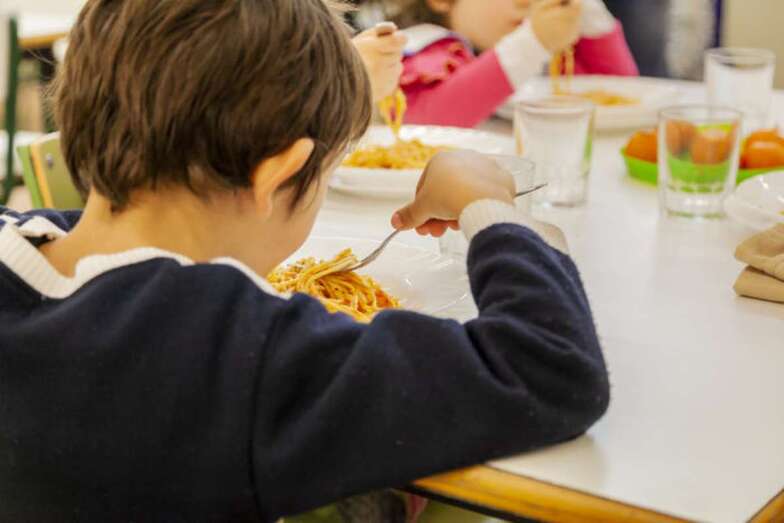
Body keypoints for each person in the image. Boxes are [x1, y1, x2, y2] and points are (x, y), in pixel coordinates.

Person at [0, 0, 610, 521]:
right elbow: (551, 370)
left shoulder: (23, 246)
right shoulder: (235, 351)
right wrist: (489, 205)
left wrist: (320, 99)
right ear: (277, 176)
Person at [376, 0, 638, 127]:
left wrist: (589, 14)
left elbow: (621, 94)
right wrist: (532, 42)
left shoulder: (542, 54)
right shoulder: (422, 47)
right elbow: (426, 119)